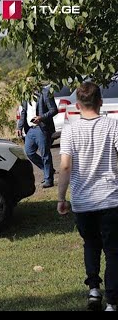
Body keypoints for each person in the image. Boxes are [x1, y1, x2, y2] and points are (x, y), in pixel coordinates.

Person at [58, 82, 118, 311]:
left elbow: (65, 167)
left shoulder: (70, 130)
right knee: (113, 250)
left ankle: (94, 290)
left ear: (77, 105)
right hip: (110, 198)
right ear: (100, 102)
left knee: (91, 245)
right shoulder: (113, 127)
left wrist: (61, 197)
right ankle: (112, 301)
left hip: (83, 201)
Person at [16, 85, 58, 188]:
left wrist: (41, 118)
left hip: (41, 127)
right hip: (30, 129)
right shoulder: (26, 96)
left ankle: (48, 179)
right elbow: (23, 112)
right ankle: (48, 170)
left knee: (45, 154)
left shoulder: (45, 93)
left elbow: (54, 110)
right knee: (29, 152)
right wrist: (19, 127)